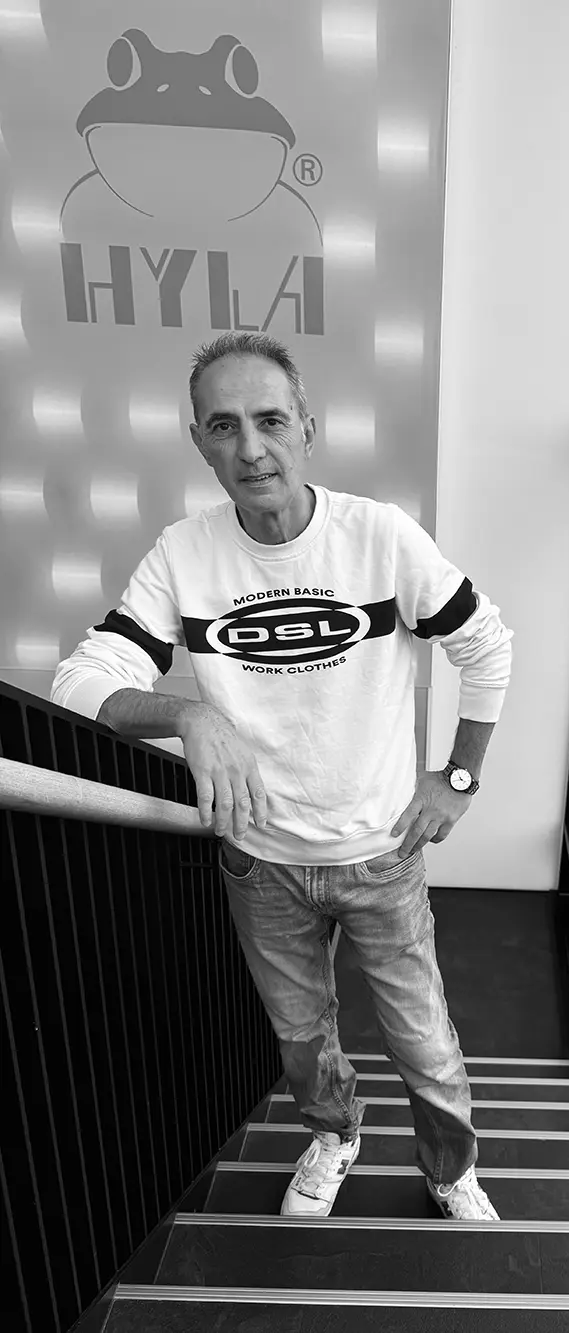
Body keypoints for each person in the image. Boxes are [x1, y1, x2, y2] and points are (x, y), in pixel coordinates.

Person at [51, 331, 513, 1222]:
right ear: (199, 441)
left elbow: (485, 644)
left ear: (308, 427)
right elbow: (80, 681)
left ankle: (450, 1167)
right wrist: (189, 715)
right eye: (224, 425)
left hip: (379, 854)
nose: (251, 448)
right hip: (259, 863)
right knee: (301, 1040)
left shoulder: (378, 537)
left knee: (425, 1043)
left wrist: (459, 778)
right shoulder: (184, 554)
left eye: (269, 420)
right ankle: (335, 1135)